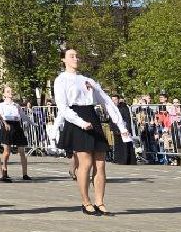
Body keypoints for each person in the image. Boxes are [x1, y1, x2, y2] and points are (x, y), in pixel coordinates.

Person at [52, 48, 135, 216]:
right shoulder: (61, 80)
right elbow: (62, 107)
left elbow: (106, 101)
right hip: (76, 118)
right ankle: (86, 201)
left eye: (77, 55)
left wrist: (122, 126)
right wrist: (80, 122)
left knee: (101, 163)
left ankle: (100, 202)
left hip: (92, 116)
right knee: (86, 163)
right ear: (64, 60)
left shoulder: (87, 80)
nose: (76, 58)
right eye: (71, 56)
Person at [0, 84, 31, 181]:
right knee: (7, 151)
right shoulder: (1, 105)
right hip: (7, 126)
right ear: (4, 94)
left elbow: (23, 116)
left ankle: (25, 174)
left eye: (11, 91)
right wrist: (5, 123)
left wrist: (31, 122)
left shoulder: (16, 105)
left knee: (22, 151)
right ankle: (4, 171)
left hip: (16, 125)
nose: (10, 93)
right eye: (8, 91)